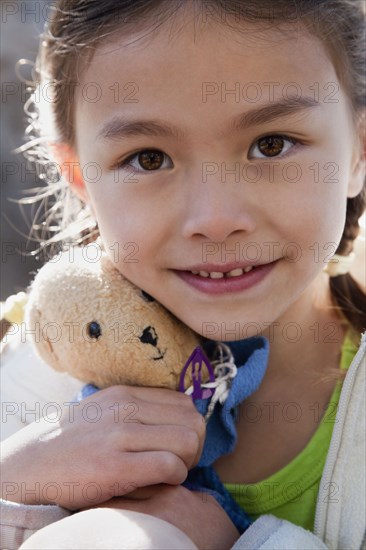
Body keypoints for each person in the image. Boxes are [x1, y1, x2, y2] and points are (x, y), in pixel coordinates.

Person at [1, 0, 365, 548]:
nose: (215, 220)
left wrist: (242, 542)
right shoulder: (22, 370)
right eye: (148, 158)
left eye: (272, 145)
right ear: (78, 175)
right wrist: (12, 482)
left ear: (359, 151)